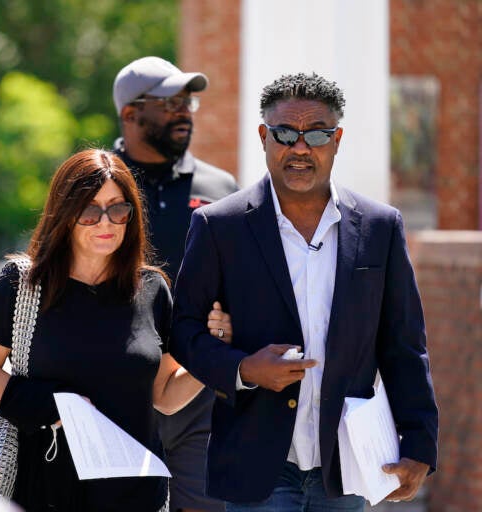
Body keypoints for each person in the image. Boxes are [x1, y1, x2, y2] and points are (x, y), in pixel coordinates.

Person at [171, 73, 439, 511]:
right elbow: (182, 330)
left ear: (337, 140)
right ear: (263, 136)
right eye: (285, 134)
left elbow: (405, 344)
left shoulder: (379, 226)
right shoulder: (220, 226)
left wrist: (419, 443)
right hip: (259, 463)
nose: (300, 148)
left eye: (316, 134)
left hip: (347, 463)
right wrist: (243, 369)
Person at [0, 149, 231, 512]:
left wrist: (212, 351)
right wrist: (55, 404)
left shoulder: (152, 289)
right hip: (47, 488)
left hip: (136, 494)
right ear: (66, 214)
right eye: (90, 211)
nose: (106, 223)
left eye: (118, 210)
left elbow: (164, 396)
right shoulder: (22, 285)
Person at [112, 56, 239, 512]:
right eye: (169, 103)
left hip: (195, 385)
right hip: (113, 387)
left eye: (188, 101)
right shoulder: (96, 183)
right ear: (131, 114)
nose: (184, 110)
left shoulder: (222, 186)